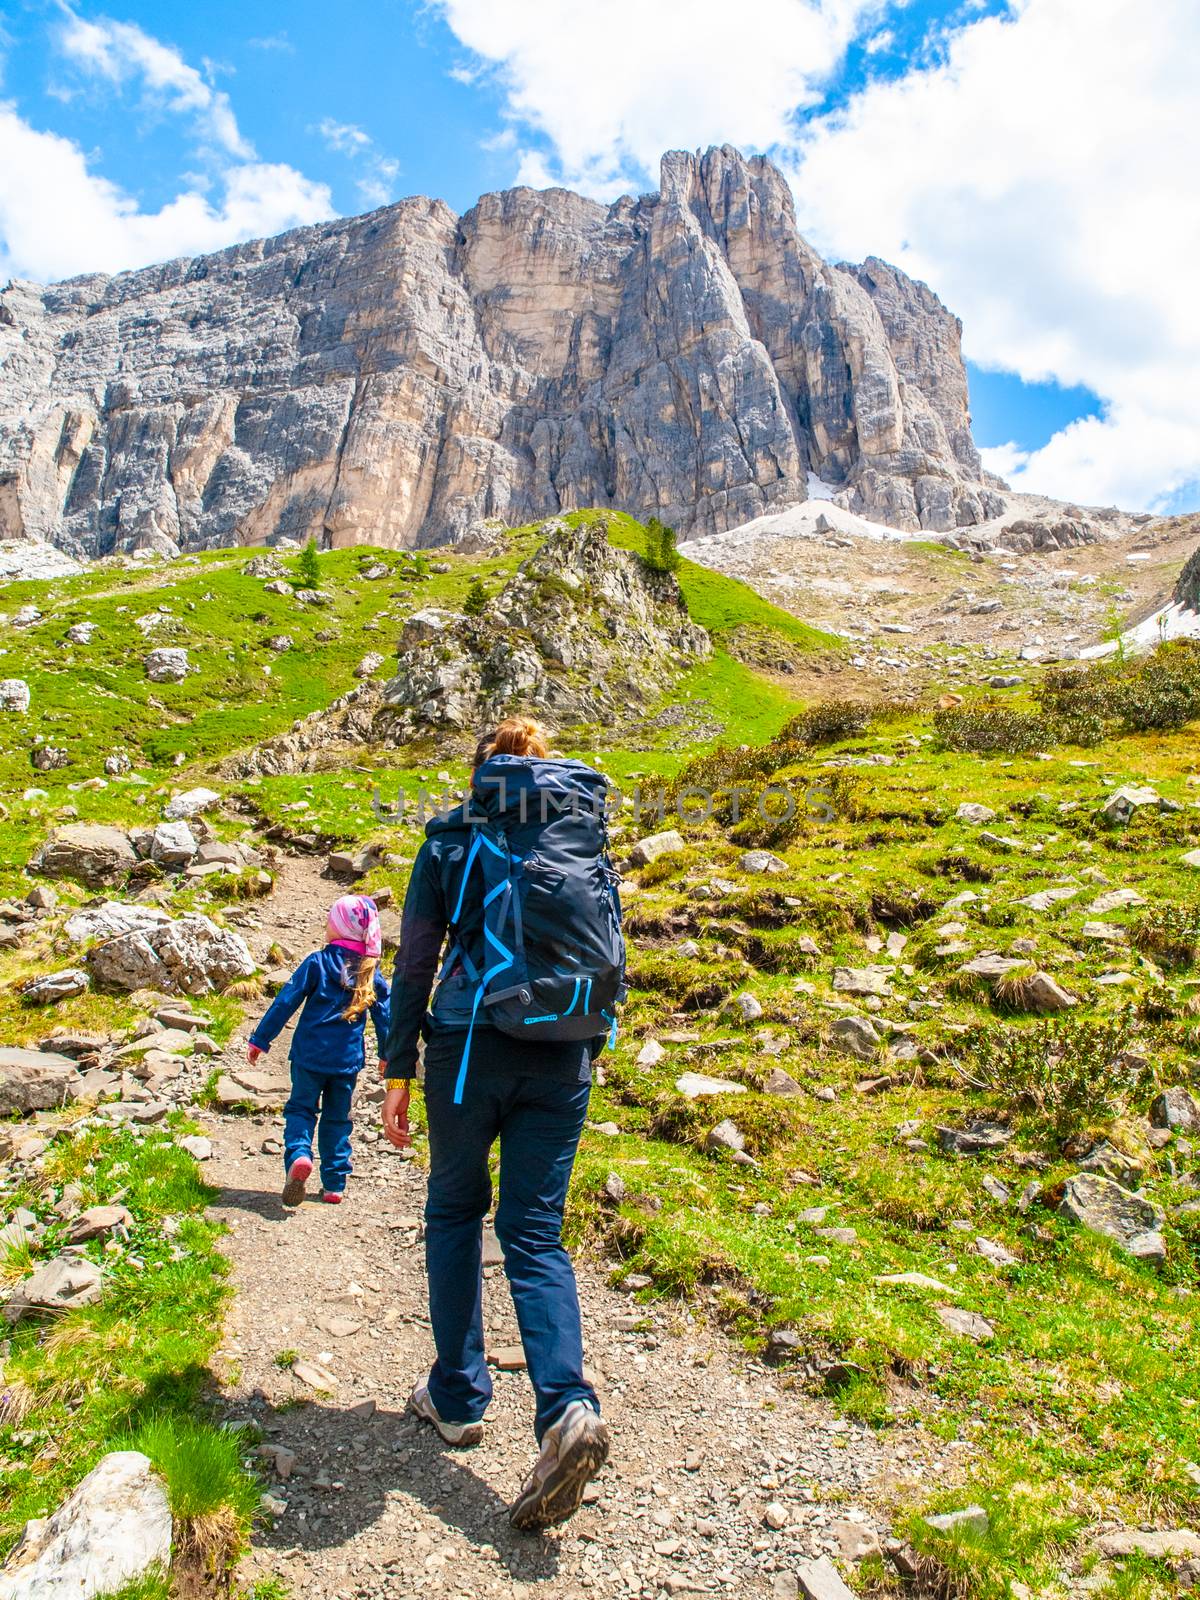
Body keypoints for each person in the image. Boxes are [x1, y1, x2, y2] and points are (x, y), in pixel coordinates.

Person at [382, 715, 618, 1532]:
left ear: (482, 772)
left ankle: (456, 1395)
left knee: (453, 1210)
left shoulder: (452, 838)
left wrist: (396, 1068)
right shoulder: (583, 835)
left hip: (467, 1049)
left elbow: (415, 960)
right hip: (565, 1056)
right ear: (547, 771)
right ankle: (565, 1409)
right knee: (535, 1233)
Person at [248, 893, 390, 1206]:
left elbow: (287, 1000)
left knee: (301, 1109)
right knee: (338, 1119)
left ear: (339, 928)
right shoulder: (370, 971)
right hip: (346, 1062)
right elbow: (386, 1016)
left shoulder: (318, 962)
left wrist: (261, 1039)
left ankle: (299, 1155)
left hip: (309, 1056)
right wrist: (388, 1055)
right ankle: (334, 1184)